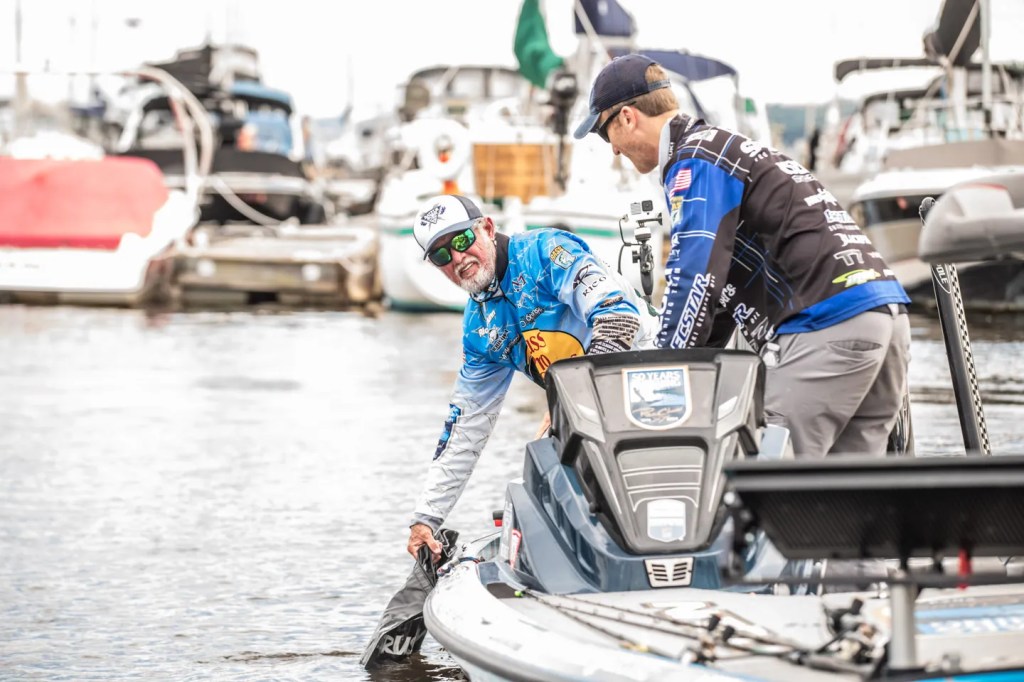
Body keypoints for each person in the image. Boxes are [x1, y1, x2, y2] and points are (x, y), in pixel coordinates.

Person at [574, 54, 912, 460]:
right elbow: (717, 297)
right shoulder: (725, 147)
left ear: (627, 118)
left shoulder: (694, 159)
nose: (613, 150)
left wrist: (658, 379)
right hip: (886, 314)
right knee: (849, 490)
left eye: (604, 133)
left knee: (769, 479)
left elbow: (694, 278)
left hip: (825, 322)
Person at [406, 193, 658, 560]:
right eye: (442, 255)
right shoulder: (478, 329)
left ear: (487, 228)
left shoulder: (546, 252)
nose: (457, 258)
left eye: (462, 240)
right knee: (536, 477)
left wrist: (573, 399)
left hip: (653, 377)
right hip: (586, 411)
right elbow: (465, 427)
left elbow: (618, 318)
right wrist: (426, 518)